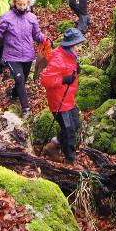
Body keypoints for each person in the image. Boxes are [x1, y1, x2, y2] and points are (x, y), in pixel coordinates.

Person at [0, 0, 47, 115]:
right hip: (12, 55)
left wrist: (44, 39)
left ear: (28, 4)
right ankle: (26, 108)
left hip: (28, 55)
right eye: (19, 4)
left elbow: (36, 34)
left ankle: (14, 93)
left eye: (24, 4)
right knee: (19, 79)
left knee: (22, 80)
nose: (22, 7)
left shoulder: (31, 18)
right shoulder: (7, 17)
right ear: (14, 3)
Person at [41, 27, 86, 164]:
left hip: (68, 99)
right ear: (71, 44)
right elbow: (45, 80)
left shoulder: (70, 55)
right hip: (58, 100)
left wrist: (76, 70)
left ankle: (53, 145)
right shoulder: (58, 58)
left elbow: (69, 70)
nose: (79, 47)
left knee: (75, 124)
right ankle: (70, 159)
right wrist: (63, 80)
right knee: (68, 130)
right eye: (78, 45)